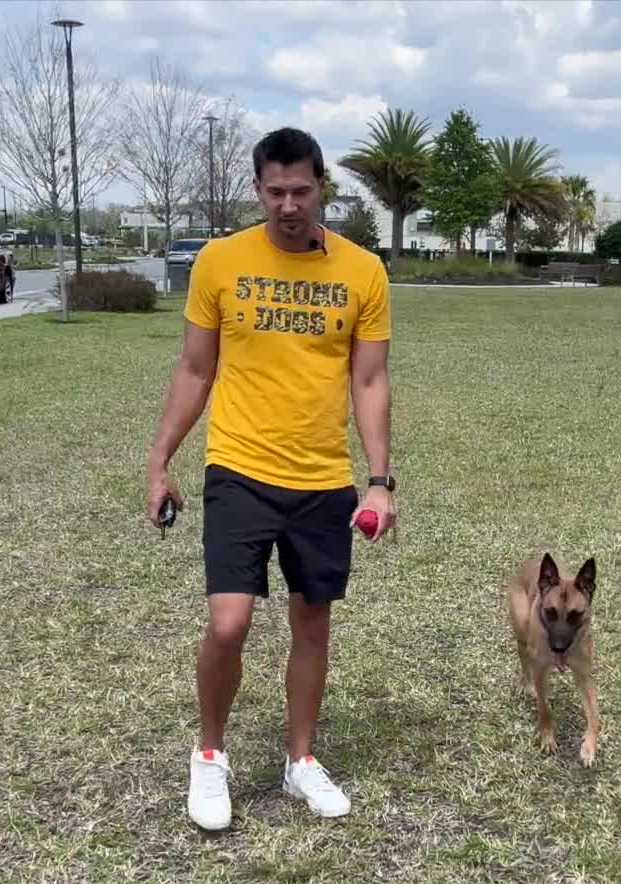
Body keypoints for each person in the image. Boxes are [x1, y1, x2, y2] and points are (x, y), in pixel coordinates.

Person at [144, 127, 397, 831]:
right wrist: (160, 462)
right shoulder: (220, 262)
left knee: (311, 621)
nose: (289, 205)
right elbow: (195, 369)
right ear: (257, 189)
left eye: (302, 191)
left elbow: (369, 380)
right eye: (276, 192)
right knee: (228, 624)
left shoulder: (363, 272)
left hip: (322, 477)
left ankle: (300, 760)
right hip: (239, 469)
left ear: (322, 189)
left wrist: (380, 481)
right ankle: (209, 755)